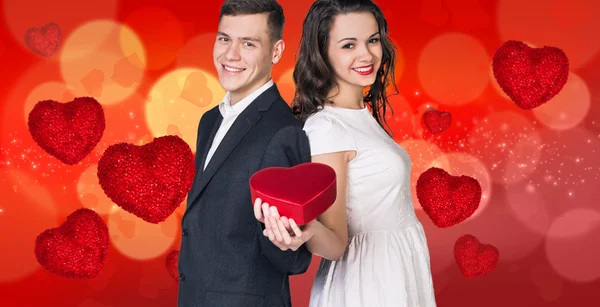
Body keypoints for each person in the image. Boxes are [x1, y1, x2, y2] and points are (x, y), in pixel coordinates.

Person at [255, 0, 437, 306]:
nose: (366, 55)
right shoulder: (327, 127)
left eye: (373, 40)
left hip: (397, 270)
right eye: (348, 45)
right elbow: (336, 244)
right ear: (323, 53)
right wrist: (304, 230)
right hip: (369, 283)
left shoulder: (361, 116)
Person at [178, 0, 313, 306]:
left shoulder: (284, 131)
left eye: (248, 43)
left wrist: (287, 241)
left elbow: (295, 259)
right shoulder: (210, 120)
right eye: (224, 38)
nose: (230, 54)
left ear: (276, 52)